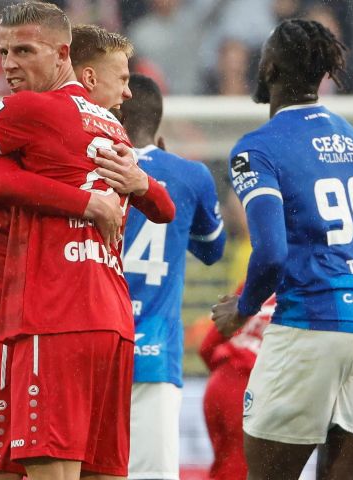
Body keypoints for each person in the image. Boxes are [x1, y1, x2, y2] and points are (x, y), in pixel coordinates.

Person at [0, 3, 174, 479]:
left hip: (34, 318)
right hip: (102, 318)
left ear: (65, 57)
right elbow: (165, 208)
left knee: (1, 471)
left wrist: (87, 201)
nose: (9, 63)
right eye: (3, 52)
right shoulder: (109, 129)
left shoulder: (21, 114)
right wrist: (120, 192)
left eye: (23, 51)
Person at [211, 19, 353, 480]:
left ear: (268, 67)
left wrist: (243, 309)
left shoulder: (258, 149)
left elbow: (270, 253)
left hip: (313, 327)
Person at [118, 74, 226, 480]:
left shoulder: (91, 167)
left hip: (94, 348)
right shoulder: (189, 175)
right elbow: (213, 250)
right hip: (154, 354)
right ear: (157, 124)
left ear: (115, 113)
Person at [201, 289, 274, 480]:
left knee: (228, 465)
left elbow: (207, 345)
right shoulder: (317, 283)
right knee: (244, 469)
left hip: (223, 380)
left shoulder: (263, 275)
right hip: (253, 386)